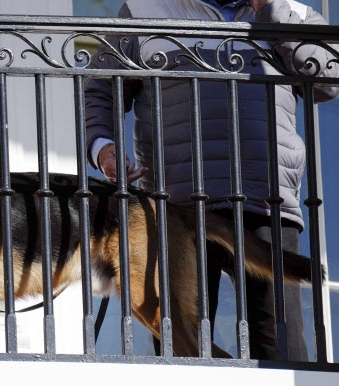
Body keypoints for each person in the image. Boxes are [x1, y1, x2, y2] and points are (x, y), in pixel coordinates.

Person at [84, 0, 339, 360]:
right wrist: (104, 148)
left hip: (266, 200)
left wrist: (271, 10)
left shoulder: (291, 10)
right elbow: (101, 87)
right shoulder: (145, 8)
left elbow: (327, 82)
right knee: (183, 344)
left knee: (280, 346)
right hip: (176, 206)